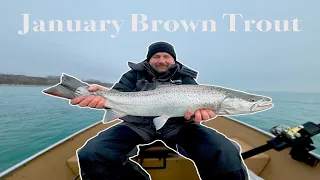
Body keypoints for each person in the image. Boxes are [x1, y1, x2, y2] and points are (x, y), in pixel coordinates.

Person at [71, 41, 249, 180]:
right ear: (149, 59)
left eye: (166, 56)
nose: (162, 60)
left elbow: (197, 109)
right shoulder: (132, 76)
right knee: (91, 153)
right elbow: (117, 95)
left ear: (174, 59)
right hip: (136, 125)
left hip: (179, 127)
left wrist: (198, 116)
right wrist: (102, 96)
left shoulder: (186, 77)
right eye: (156, 56)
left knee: (224, 151)